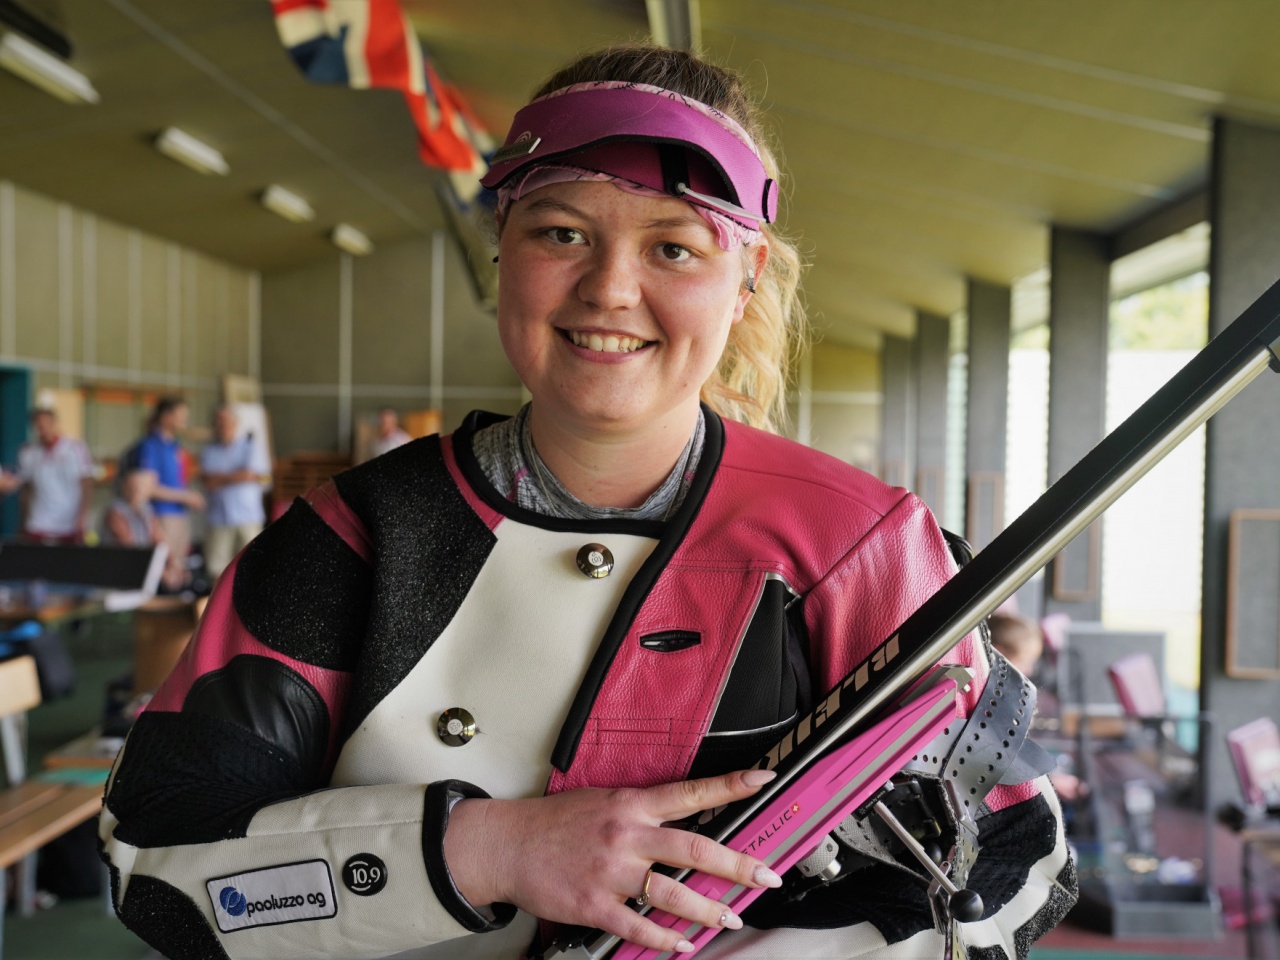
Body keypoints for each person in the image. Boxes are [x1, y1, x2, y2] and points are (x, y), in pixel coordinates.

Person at [98, 45, 1074, 960]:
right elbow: (155, 863)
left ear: (745, 283)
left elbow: (1015, 866)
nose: (609, 288)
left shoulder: (858, 545)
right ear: (502, 250)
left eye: (673, 249)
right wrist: (485, 850)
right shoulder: (352, 536)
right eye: (561, 233)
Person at [129, 397, 204, 590]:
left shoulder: (176, 446)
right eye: (180, 416)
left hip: (179, 515)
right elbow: (148, 488)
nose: (184, 421)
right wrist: (186, 496)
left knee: (179, 571)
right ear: (166, 416)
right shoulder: (150, 446)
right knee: (163, 572)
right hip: (162, 516)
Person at [0, 408, 95, 543]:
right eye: (39, 426)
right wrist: (22, 521)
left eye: (46, 424)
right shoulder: (27, 452)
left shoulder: (75, 448)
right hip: (38, 522)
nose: (43, 429)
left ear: (54, 423)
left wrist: (83, 516)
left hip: (69, 522)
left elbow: (86, 482)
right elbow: (26, 490)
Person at [199, 406, 270, 580]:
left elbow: (253, 475)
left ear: (235, 423)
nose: (222, 425)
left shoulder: (250, 446)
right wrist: (238, 476)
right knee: (217, 568)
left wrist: (220, 478)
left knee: (253, 565)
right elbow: (208, 481)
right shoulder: (209, 451)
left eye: (226, 421)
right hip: (219, 516)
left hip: (247, 515)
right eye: (218, 422)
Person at [102, 468, 164, 547]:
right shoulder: (115, 512)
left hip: (142, 553)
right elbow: (126, 543)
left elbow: (158, 539)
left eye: (141, 487)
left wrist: (166, 551)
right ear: (124, 487)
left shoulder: (146, 510)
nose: (137, 491)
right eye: (133, 487)